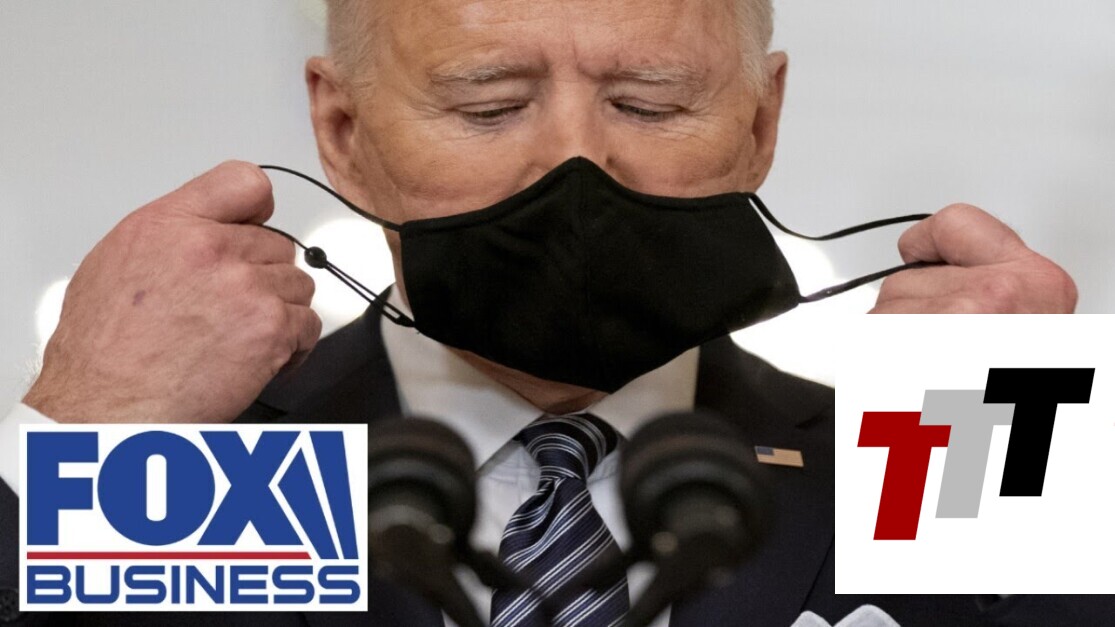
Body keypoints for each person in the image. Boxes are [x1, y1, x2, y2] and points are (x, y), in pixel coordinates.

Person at [0, 0, 1098, 625]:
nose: (576, 162)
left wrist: (1027, 452)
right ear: (342, 134)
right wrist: (86, 432)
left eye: (647, 104)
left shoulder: (923, 472)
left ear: (760, 124)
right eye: (489, 106)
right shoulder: (202, 473)